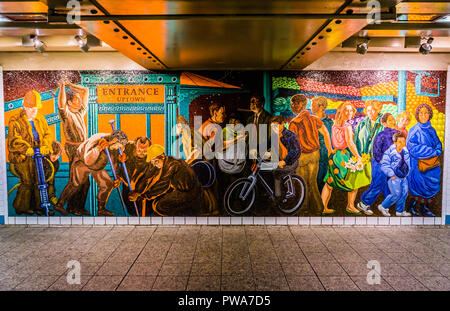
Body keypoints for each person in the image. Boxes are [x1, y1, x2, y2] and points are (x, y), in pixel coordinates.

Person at [54, 131, 128, 216]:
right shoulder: (97, 138)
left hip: (97, 166)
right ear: (114, 140)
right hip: (82, 162)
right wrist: (99, 148)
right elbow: (88, 160)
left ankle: (101, 209)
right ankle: (59, 205)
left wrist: (117, 176)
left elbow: (114, 162)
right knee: (75, 184)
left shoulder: (113, 146)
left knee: (107, 184)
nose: (117, 148)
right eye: (118, 146)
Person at [7, 90, 53, 216]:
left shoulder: (40, 119)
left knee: (40, 180)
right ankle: (21, 207)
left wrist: (45, 145)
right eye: (31, 108)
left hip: (39, 154)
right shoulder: (15, 120)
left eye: (36, 108)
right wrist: (26, 148)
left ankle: (40, 206)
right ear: (25, 107)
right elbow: (13, 140)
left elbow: (48, 134)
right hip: (22, 157)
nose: (34, 111)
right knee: (27, 181)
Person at [321, 103, 371, 215]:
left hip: (335, 156)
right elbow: (350, 143)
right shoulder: (347, 126)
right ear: (341, 112)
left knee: (329, 183)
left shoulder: (334, 124)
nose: (349, 113)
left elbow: (329, 139)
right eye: (346, 111)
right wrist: (358, 156)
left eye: (350, 111)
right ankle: (350, 206)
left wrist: (331, 150)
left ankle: (323, 207)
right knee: (354, 180)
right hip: (344, 156)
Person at [128, 144, 204, 216]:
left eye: (156, 161)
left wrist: (143, 196)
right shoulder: (167, 162)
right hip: (183, 191)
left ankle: (184, 216)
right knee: (156, 204)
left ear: (162, 157)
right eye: (153, 162)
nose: (155, 164)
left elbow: (162, 185)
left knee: (160, 206)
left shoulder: (172, 165)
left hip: (190, 193)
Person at [288, 94, 333, 215]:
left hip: (302, 156)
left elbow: (293, 144)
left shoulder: (294, 123)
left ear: (301, 104)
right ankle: (318, 207)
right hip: (315, 155)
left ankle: (304, 208)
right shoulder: (313, 119)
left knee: (302, 183)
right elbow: (325, 133)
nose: (291, 106)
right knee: (312, 182)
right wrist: (329, 149)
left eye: (293, 104)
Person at [57, 77, 90, 216]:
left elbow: (86, 90)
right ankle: (67, 206)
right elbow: (60, 104)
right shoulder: (66, 114)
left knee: (84, 182)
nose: (79, 101)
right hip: (74, 149)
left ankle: (76, 207)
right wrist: (62, 88)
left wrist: (69, 84)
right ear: (69, 102)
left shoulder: (80, 113)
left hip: (82, 149)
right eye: (76, 99)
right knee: (76, 181)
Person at [357, 113, 399, 215]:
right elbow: (376, 152)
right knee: (378, 185)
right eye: (389, 120)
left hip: (391, 165)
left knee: (389, 186)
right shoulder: (381, 135)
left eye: (393, 119)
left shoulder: (397, 134)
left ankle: (385, 206)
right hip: (380, 165)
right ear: (383, 123)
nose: (393, 122)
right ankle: (364, 203)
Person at [406, 104, 441, 217]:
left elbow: (437, 143)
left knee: (429, 187)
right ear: (417, 115)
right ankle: (411, 207)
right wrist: (431, 152)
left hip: (431, 166)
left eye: (426, 113)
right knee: (419, 186)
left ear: (430, 114)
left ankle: (424, 208)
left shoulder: (431, 129)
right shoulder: (414, 130)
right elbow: (412, 147)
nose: (423, 115)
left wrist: (438, 150)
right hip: (418, 165)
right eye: (421, 113)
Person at [268, 116, 301, 205]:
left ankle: (279, 197)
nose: (274, 129)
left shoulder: (290, 136)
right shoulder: (273, 136)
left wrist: (285, 161)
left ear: (282, 124)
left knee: (276, 173)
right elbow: (271, 149)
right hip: (280, 161)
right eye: (272, 127)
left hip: (291, 162)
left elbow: (295, 151)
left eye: (276, 126)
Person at [115, 136, 151, 216]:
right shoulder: (129, 148)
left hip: (143, 192)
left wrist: (139, 194)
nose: (141, 152)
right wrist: (118, 178)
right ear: (134, 148)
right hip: (128, 187)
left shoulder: (152, 159)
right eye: (139, 150)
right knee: (131, 210)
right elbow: (119, 166)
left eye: (145, 151)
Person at [378, 132, 411, 217]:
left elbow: (408, 164)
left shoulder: (406, 152)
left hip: (403, 176)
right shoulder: (389, 152)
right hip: (394, 176)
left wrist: (408, 173)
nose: (402, 144)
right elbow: (384, 165)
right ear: (395, 142)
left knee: (404, 193)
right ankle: (383, 206)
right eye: (400, 142)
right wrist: (392, 174)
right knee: (395, 194)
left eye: (404, 141)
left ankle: (400, 211)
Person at [311, 96, 333, 192]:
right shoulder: (314, 120)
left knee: (320, 177)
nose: (311, 107)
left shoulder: (327, 122)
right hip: (315, 153)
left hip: (323, 153)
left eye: (313, 105)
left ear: (320, 107)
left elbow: (327, 139)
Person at [44, 141, 64, 209]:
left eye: (58, 155)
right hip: (41, 181)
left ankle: (52, 197)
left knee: (51, 183)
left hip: (50, 181)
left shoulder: (56, 163)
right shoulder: (44, 160)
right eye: (53, 154)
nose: (55, 157)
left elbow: (52, 176)